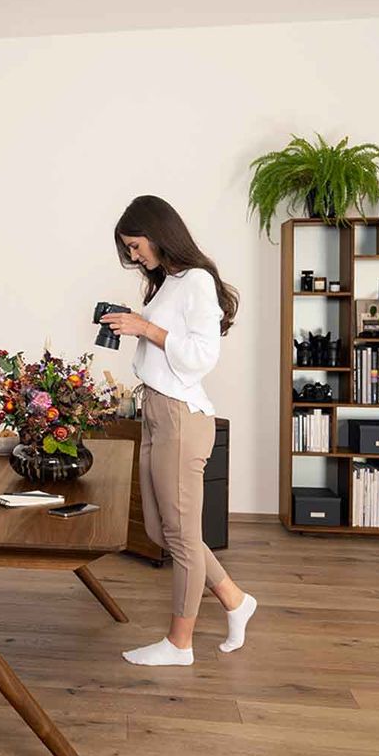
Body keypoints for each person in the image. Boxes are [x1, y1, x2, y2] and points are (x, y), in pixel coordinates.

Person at [100, 195, 257, 666]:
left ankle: (179, 644)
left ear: (158, 232)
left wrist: (146, 329)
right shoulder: (166, 283)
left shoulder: (197, 282)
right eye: (127, 249)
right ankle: (234, 598)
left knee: (182, 534)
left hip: (181, 418)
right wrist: (137, 323)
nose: (133, 256)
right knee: (160, 528)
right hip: (154, 413)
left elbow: (200, 357)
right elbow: (165, 348)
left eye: (135, 245)